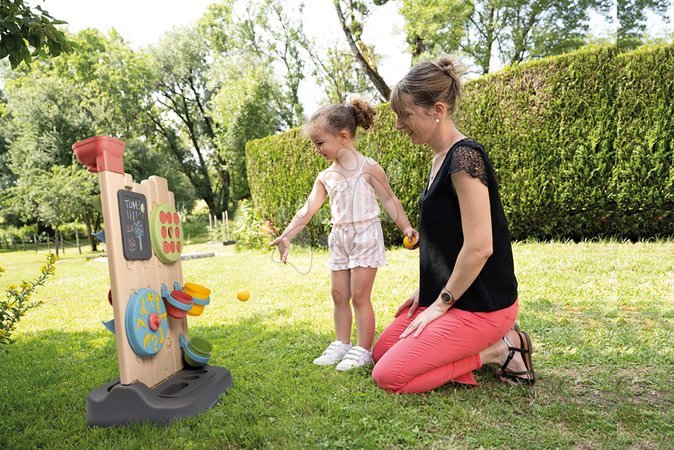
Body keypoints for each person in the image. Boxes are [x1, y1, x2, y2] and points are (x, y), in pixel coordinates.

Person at [371, 56, 535, 393]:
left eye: (405, 116)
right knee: (381, 352)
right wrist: (426, 290)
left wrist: (440, 303)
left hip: (482, 304)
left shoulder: (464, 158)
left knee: (389, 377)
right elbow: (447, 239)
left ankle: (498, 349)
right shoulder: (438, 158)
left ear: (438, 110)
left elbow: (480, 246)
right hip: (452, 295)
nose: (399, 126)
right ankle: (480, 344)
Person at [272, 95, 419, 371]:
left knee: (359, 296)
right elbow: (309, 208)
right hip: (339, 238)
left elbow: (389, 200)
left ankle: (363, 348)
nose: (317, 149)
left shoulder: (369, 168)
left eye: (319, 143)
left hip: (365, 236)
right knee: (338, 294)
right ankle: (342, 343)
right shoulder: (325, 177)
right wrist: (288, 235)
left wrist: (406, 227)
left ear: (342, 136)